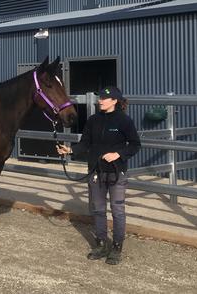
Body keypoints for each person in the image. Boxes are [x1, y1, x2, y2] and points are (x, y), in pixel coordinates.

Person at [56, 86, 140, 265]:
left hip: (117, 173)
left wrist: (118, 155)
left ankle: (116, 247)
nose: (100, 100)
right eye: (100, 97)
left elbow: (135, 144)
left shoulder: (124, 121)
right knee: (98, 210)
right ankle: (101, 244)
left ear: (115, 101)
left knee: (117, 211)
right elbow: (85, 143)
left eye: (104, 98)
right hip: (95, 172)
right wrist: (70, 150)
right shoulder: (93, 120)